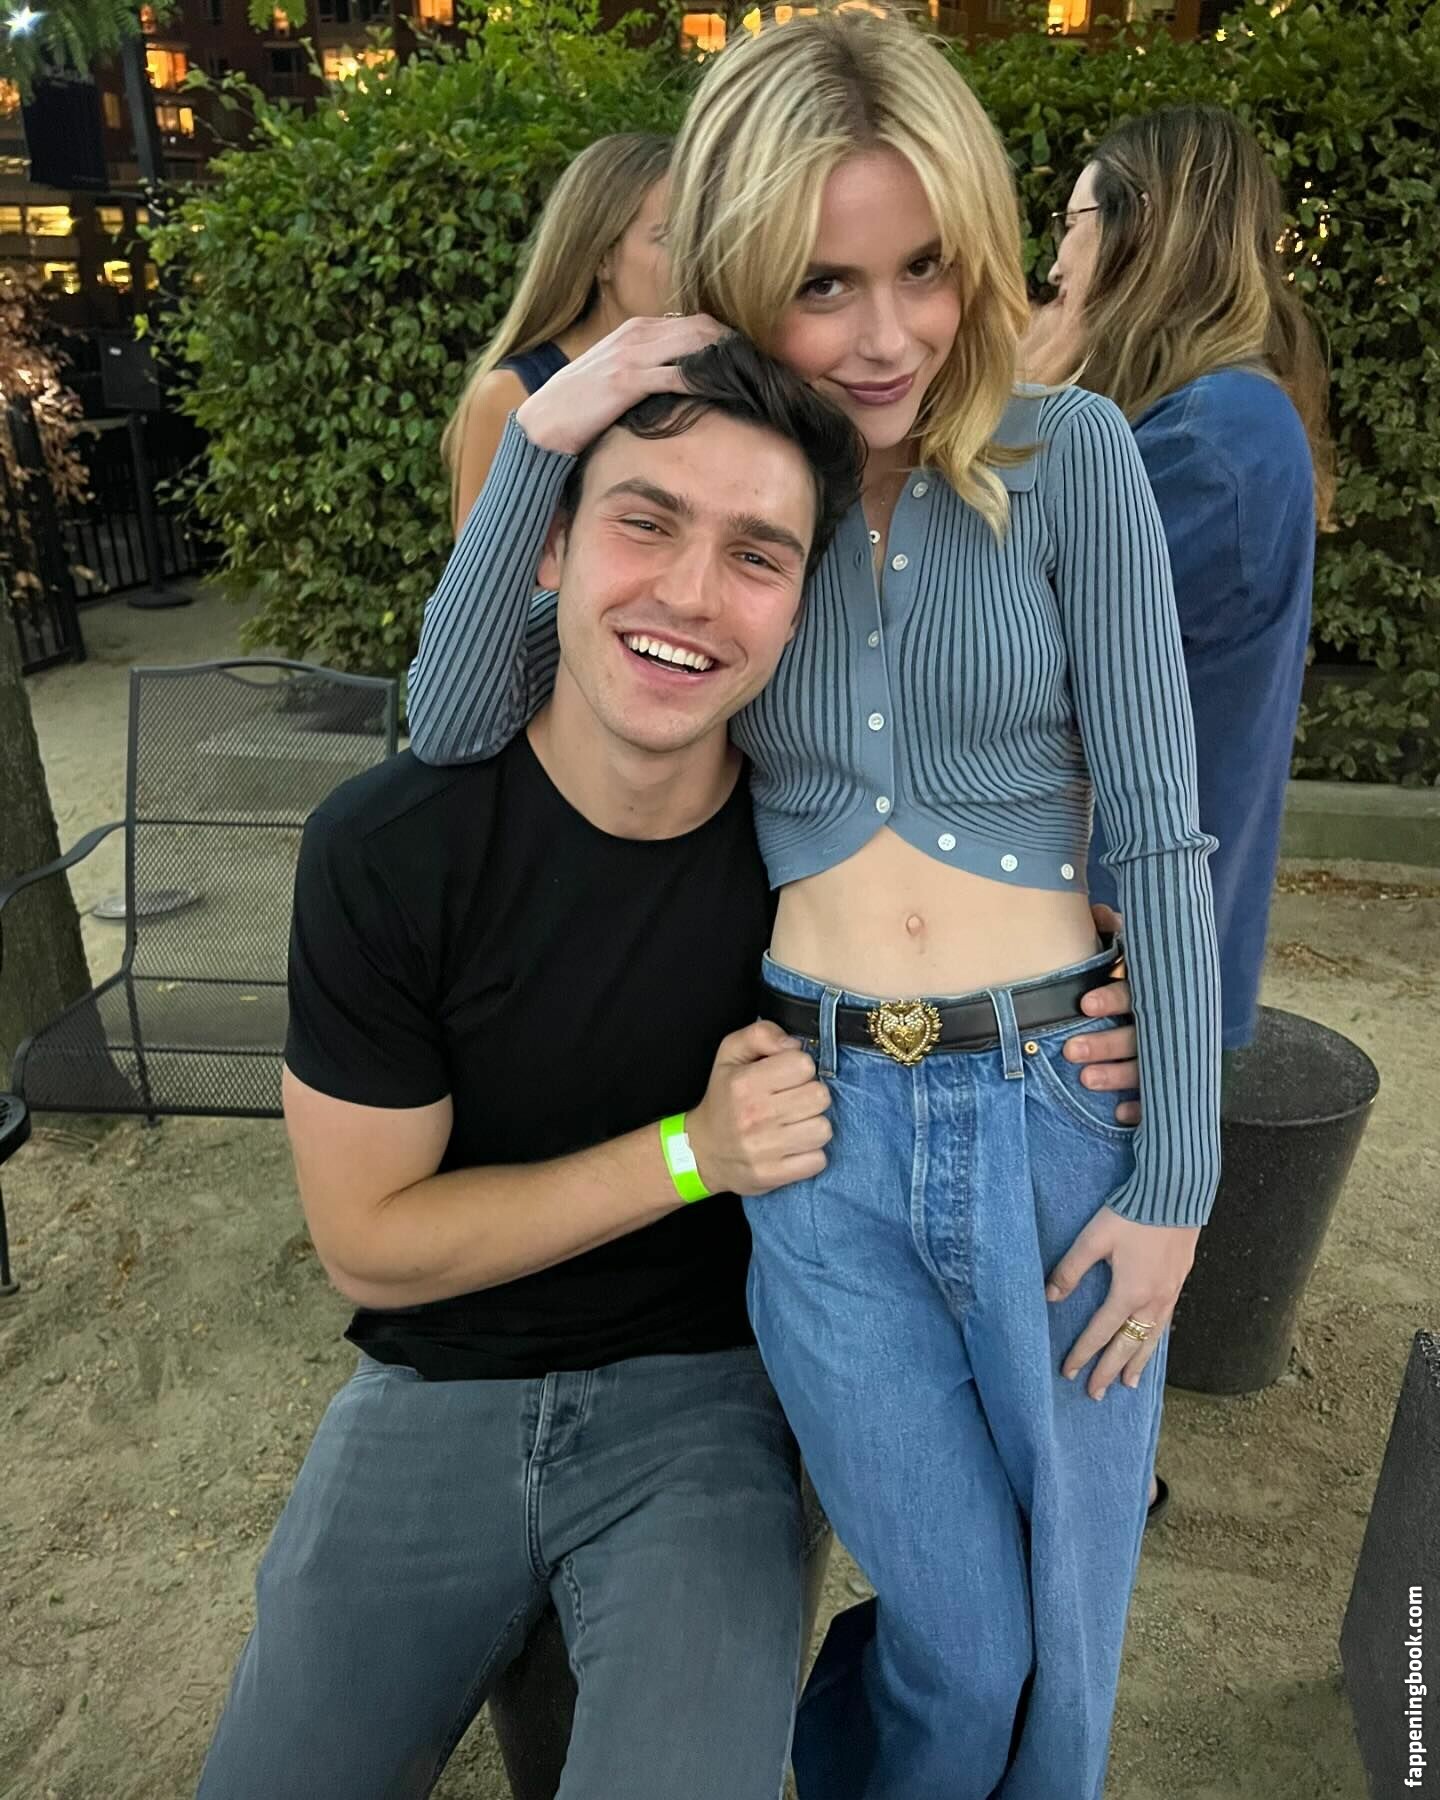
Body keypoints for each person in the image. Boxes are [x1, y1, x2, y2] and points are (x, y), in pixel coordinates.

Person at [403, 12, 1221, 1800]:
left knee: (1066, 1631)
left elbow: (1164, 833)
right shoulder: (722, 499)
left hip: (1057, 1117)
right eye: (823, 283)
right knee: (965, 1632)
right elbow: (451, 719)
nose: (886, 333)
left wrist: (1179, 1178)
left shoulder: (1073, 457)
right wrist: (550, 428)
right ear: (737, 277)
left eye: (925, 266)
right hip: (819, 1136)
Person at [195, 336, 862, 1800]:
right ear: (549, 546)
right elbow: (370, 1241)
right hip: (436, 1386)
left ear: (803, 605)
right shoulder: (390, 849)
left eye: (757, 555)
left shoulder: (829, 865)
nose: (692, 594)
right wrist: (693, 1151)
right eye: (646, 522)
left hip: (709, 1402)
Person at [1028, 105, 1334, 1525]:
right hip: (1133, 934)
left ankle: (1090, 1500)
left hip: (1113, 943)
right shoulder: (1222, 417)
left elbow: (1006, 653)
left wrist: (1015, 407)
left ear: (1139, 233)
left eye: (1072, 223)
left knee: (1070, 1289)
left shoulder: (1202, 440)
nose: (1052, 258)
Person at [442, 131, 672, 532]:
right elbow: (481, 567)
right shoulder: (514, 395)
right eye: (669, 237)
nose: (699, 257)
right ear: (602, 256)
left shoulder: (711, 381)